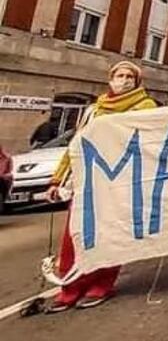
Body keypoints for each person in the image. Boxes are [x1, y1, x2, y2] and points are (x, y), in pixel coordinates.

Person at [44, 61, 157, 312]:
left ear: (137, 82)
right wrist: (57, 179)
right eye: (119, 75)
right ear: (110, 79)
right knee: (74, 236)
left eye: (129, 77)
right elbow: (76, 145)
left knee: (109, 234)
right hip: (87, 180)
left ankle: (101, 284)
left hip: (118, 180)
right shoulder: (94, 110)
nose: (123, 80)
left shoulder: (144, 107)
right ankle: (70, 288)